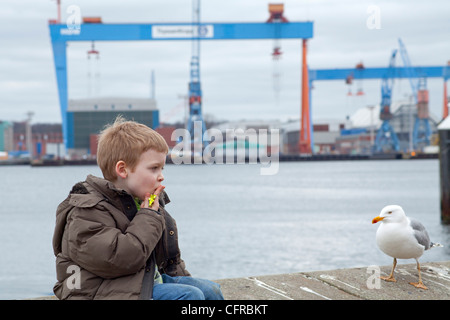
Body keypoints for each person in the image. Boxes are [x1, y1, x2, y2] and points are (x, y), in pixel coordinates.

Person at [52, 116, 224, 300]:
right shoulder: (88, 211)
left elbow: (170, 262)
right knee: (189, 296)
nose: (161, 176)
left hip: (139, 282)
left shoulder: (145, 203)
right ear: (123, 170)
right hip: (98, 292)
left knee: (210, 291)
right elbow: (121, 259)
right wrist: (148, 215)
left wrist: (182, 280)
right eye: (154, 168)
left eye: (162, 169)